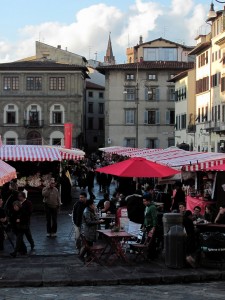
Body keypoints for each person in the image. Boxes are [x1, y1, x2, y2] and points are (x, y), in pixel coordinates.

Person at [142, 193, 158, 258]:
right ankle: (149, 254)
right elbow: (145, 217)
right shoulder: (146, 207)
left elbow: (154, 218)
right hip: (147, 226)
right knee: (148, 240)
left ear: (149, 201)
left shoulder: (152, 207)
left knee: (151, 241)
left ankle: (152, 255)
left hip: (151, 226)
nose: (144, 202)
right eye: (143, 201)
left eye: (145, 201)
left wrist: (154, 227)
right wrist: (144, 225)